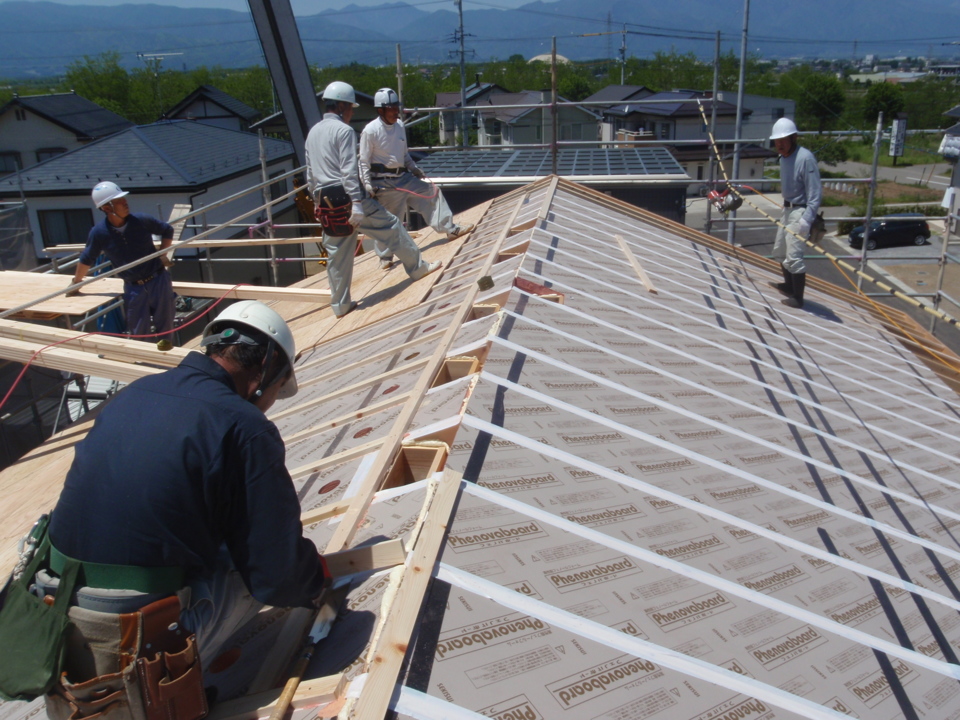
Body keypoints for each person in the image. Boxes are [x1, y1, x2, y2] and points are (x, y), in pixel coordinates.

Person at [44, 301, 332, 706]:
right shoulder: (245, 426)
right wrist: (315, 580)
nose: (270, 404)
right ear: (264, 371)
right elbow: (275, 573)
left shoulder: (136, 392)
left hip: (57, 617)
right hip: (128, 634)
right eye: (277, 389)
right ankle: (169, 680)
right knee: (248, 568)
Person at [304, 81, 440, 318]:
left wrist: (317, 203)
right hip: (347, 197)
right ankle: (418, 269)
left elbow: (310, 173)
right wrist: (356, 203)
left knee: (337, 253)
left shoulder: (313, 132)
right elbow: (348, 169)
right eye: (350, 108)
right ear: (341, 106)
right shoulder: (344, 131)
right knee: (392, 227)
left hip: (326, 200)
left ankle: (340, 304)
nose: (352, 113)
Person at [359, 87, 474, 270]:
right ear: (380, 110)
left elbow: (404, 155)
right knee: (389, 219)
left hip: (403, 178)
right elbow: (363, 162)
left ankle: (449, 228)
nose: (395, 112)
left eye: (396, 107)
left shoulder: (400, 127)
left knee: (432, 192)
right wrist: (367, 185)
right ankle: (385, 256)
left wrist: (414, 169)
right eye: (390, 108)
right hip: (384, 182)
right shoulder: (371, 131)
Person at [71, 182, 178, 350]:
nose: (125, 203)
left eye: (123, 199)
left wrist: (162, 254)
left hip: (158, 279)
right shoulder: (99, 233)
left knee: (165, 326)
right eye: (119, 201)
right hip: (133, 287)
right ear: (107, 208)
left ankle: (167, 361)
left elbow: (167, 230)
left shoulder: (141, 221)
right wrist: (76, 282)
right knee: (138, 331)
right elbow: (87, 258)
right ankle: (145, 365)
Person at [768, 117, 822, 309]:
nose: (779, 145)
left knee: (794, 256)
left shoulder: (805, 158)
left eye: (783, 140)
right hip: (788, 209)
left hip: (800, 210)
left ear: (794, 138)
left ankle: (798, 298)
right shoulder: (784, 157)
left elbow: (815, 192)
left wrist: (807, 219)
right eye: (777, 141)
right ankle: (789, 286)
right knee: (780, 250)